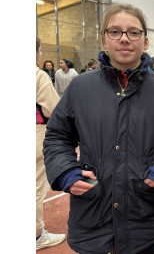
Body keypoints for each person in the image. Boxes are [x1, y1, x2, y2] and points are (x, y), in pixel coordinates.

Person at [43, 3, 154, 254]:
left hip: (143, 214)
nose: (124, 39)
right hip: (93, 212)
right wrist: (66, 171)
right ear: (104, 39)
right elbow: (57, 136)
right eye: (115, 32)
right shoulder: (80, 88)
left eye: (133, 32)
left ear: (145, 41)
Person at [36, 36, 65, 251]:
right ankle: (36, 234)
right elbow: (54, 109)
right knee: (35, 187)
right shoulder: (38, 76)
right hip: (35, 135)